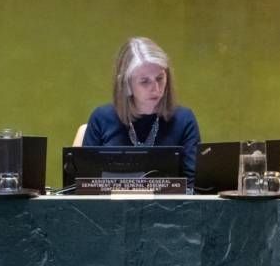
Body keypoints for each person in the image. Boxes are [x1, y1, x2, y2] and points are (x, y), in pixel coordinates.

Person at [82, 37, 200, 186]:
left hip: (170, 202)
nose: (156, 89)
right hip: (110, 201)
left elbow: (193, 185)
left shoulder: (184, 120)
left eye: (160, 78)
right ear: (126, 84)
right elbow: (85, 185)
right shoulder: (101, 118)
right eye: (145, 81)